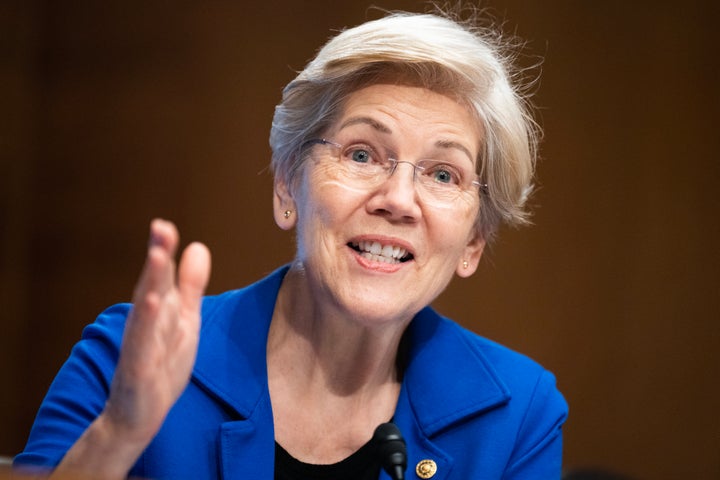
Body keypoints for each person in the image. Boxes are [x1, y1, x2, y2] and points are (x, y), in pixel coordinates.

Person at [15, 8, 568, 480]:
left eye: (443, 175)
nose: (398, 199)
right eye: (361, 154)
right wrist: (118, 433)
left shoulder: (517, 414)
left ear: (474, 239)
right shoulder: (129, 355)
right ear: (288, 184)